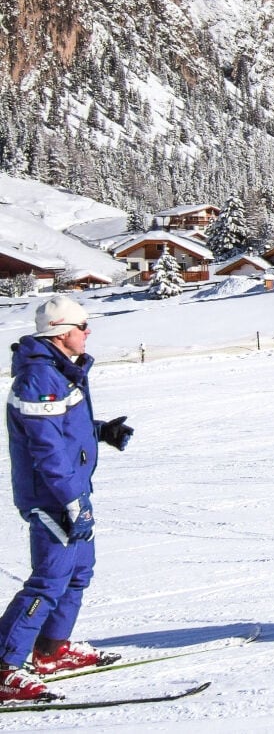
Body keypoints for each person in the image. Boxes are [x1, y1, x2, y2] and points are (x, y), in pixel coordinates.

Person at [0, 296, 134, 701]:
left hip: (72, 489)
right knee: (49, 580)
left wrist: (99, 431)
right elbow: (44, 449)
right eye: (82, 326)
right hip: (54, 496)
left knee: (78, 572)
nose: (87, 332)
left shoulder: (60, 370)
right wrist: (72, 498)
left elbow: (60, 429)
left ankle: (50, 649)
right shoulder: (39, 377)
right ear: (61, 333)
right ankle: (5, 665)